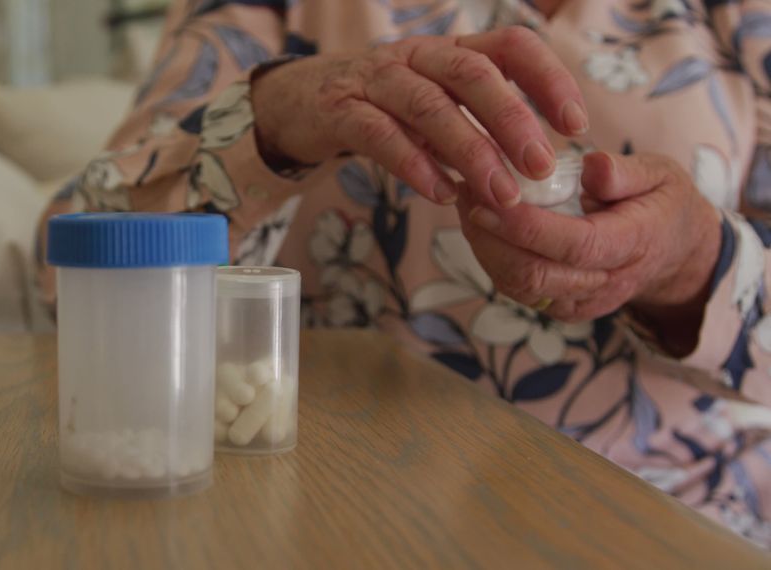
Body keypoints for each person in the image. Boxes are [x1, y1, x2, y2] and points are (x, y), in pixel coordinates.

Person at [40, 0, 771, 545]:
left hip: (674, 516)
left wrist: (695, 262)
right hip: (324, 510)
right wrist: (271, 118)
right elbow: (71, 258)